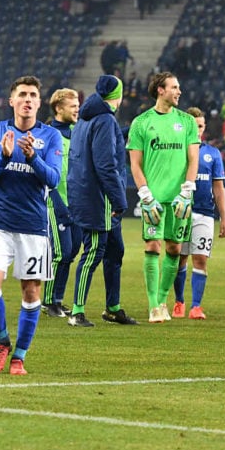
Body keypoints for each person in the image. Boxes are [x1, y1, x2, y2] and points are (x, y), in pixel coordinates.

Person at [0, 75, 62, 375]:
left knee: (31, 292)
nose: (27, 99)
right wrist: (3, 156)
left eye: (33, 95)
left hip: (34, 226)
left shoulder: (50, 137)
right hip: (0, 222)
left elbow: (53, 178)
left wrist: (33, 157)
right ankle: (2, 342)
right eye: (22, 94)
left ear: (39, 103)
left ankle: (19, 357)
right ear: (11, 101)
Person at [127, 72, 200, 323]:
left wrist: (187, 189)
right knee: (152, 246)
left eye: (179, 87)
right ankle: (153, 306)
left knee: (174, 248)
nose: (179, 91)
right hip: (153, 199)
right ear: (160, 90)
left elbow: (193, 159)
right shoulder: (141, 123)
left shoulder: (187, 122)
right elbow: (135, 164)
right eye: (174, 87)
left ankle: (163, 299)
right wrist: (145, 194)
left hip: (179, 198)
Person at [67, 75, 137, 327]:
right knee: (93, 252)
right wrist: (119, 200)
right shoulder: (105, 119)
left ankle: (113, 308)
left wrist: (131, 129)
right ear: (116, 95)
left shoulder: (88, 118)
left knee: (115, 251)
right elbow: (106, 165)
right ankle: (77, 312)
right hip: (99, 200)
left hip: (85, 193)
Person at [172, 107, 225, 320]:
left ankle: (196, 306)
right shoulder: (177, 151)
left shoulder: (213, 154)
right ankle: (179, 302)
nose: (197, 130)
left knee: (201, 259)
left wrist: (224, 218)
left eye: (201, 126)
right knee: (179, 259)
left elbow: (218, 188)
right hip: (180, 212)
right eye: (193, 125)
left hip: (204, 214)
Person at [42, 88, 81, 318]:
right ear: (58, 108)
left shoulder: (78, 132)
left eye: (78, 104)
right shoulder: (46, 135)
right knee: (60, 252)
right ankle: (48, 301)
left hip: (77, 204)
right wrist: (57, 203)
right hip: (56, 202)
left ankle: (57, 298)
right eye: (73, 105)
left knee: (72, 251)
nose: (77, 108)